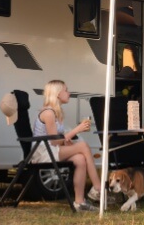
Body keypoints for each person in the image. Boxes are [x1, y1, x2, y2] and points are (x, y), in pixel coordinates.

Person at [32, 80, 102, 212]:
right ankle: (97, 189)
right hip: (43, 153)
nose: (69, 93)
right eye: (66, 90)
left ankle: (79, 202)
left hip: (51, 150)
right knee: (83, 146)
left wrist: (66, 141)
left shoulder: (57, 113)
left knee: (80, 159)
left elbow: (58, 140)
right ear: (58, 94)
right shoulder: (48, 113)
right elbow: (54, 141)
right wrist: (76, 130)